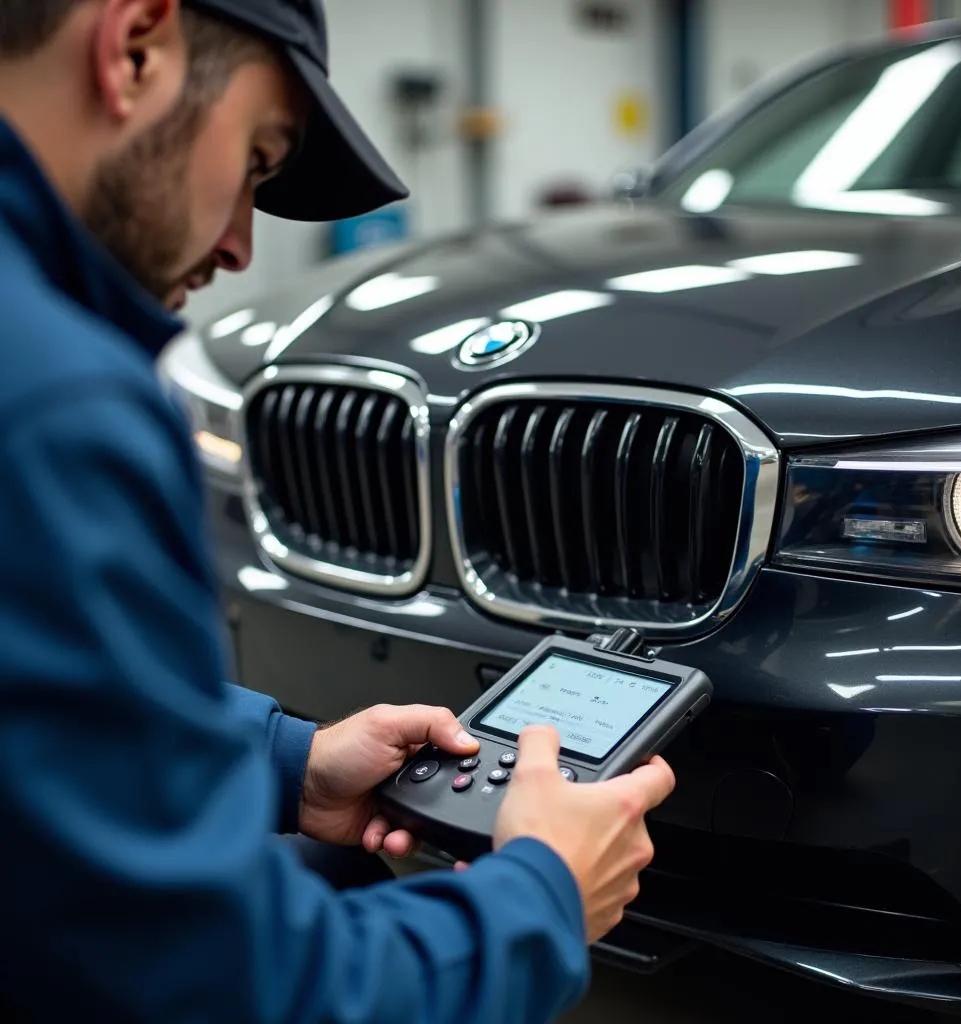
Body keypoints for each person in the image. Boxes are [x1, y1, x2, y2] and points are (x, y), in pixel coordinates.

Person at [0, 0, 677, 1020]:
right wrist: (539, 896)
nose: (237, 244)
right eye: (260, 160)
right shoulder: (55, 402)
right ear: (135, 45)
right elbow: (226, 986)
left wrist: (285, 760)